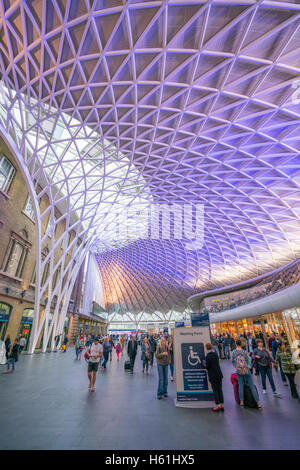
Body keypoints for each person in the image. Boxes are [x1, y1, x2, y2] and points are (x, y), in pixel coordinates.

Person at [232, 339, 262, 408]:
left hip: (239, 371)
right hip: (246, 370)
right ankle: (258, 402)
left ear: (236, 344)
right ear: (241, 344)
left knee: (241, 385)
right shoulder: (245, 352)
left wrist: (236, 367)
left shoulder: (234, 352)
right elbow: (248, 361)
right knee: (251, 385)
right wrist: (247, 367)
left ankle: (242, 402)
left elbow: (232, 361)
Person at [205, 342, 224, 412]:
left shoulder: (207, 356)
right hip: (219, 374)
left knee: (215, 390)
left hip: (212, 375)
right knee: (220, 389)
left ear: (206, 348)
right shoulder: (216, 355)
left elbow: (207, 367)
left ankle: (216, 406)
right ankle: (222, 405)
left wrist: (204, 364)